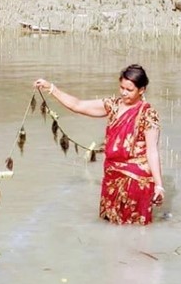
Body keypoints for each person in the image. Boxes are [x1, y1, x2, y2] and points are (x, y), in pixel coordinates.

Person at [33, 64, 164, 225]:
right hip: (112, 176)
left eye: (129, 90)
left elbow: (152, 151)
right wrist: (51, 88)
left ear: (142, 90)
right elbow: (77, 105)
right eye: (121, 87)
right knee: (111, 225)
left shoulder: (148, 115)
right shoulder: (113, 106)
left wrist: (159, 185)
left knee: (135, 227)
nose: (123, 93)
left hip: (136, 180)